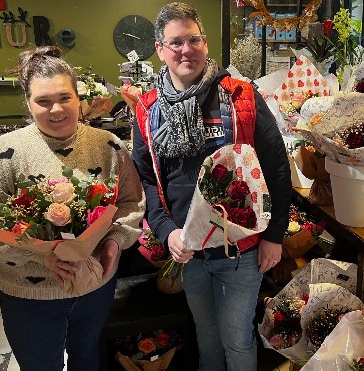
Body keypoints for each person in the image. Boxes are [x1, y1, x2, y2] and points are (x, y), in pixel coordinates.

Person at [125, 3, 291, 370]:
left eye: (194, 39)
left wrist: (275, 235)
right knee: (205, 333)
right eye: (176, 42)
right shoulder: (148, 109)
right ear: (160, 49)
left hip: (241, 250)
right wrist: (166, 231)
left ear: (205, 42)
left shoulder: (241, 97)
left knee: (236, 337)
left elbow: (277, 168)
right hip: (188, 250)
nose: (187, 49)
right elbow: (148, 179)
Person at [0, 46, 145, 371]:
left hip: (96, 288)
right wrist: (41, 254)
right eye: (43, 101)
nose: (56, 109)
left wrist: (115, 243)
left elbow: (130, 202)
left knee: (88, 359)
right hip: (29, 297)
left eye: (65, 97)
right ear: (28, 103)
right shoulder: (3, 154)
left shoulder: (108, 146)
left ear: (79, 97)